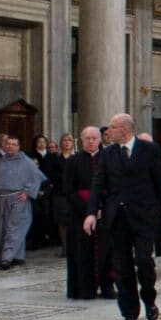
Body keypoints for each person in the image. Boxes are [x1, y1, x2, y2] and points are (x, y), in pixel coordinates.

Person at [83, 114, 161, 320]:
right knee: (122, 267)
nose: (108, 132)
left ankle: (149, 299)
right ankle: (130, 313)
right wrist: (90, 212)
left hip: (144, 216)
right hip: (117, 218)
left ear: (124, 129)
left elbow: (160, 182)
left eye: (112, 128)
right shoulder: (108, 154)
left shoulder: (149, 150)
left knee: (144, 261)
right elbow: (97, 184)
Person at [0, 135, 47, 270]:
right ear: (4, 146)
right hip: (0, 200)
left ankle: (7, 258)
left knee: (14, 229)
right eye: (8, 144)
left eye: (13, 144)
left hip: (17, 199)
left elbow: (36, 178)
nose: (10, 146)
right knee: (0, 229)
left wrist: (27, 192)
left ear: (18, 146)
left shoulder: (26, 162)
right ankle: (16, 256)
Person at [63, 127, 115, 299]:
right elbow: (68, 190)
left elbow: (114, 187)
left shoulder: (108, 159)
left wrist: (102, 209)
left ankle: (107, 286)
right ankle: (83, 288)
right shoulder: (73, 161)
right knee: (81, 252)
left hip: (105, 213)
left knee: (108, 252)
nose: (91, 141)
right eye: (87, 138)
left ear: (100, 139)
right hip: (80, 214)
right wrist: (88, 210)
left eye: (94, 138)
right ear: (81, 140)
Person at [27, 135, 57, 250]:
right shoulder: (31, 155)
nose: (41, 144)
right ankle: (34, 240)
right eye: (39, 141)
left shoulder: (51, 156)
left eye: (44, 142)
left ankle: (46, 238)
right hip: (33, 189)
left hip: (47, 188)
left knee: (47, 215)